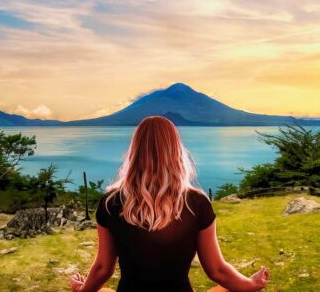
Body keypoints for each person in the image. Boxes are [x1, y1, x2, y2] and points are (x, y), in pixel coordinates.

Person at [69, 116, 270, 292]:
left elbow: (103, 268)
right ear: (175, 150)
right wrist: (250, 284)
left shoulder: (110, 203)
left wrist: (84, 288)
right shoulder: (196, 202)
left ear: (135, 151)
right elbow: (217, 270)